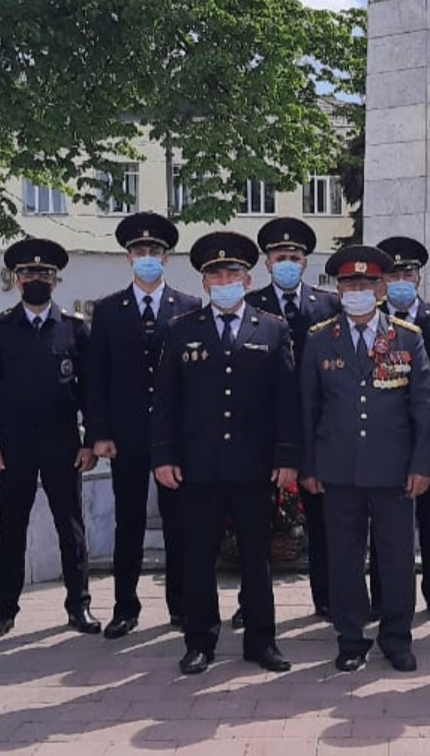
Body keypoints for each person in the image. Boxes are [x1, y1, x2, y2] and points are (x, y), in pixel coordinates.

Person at [150, 231, 298, 674]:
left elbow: (286, 401)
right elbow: (166, 402)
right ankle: (200, 642)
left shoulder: (272, 328)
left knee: (257, 557)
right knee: (199, 557)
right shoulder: (182, 331)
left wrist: (287, 457)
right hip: (199, 467)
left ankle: (261, 641)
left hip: (254, 468)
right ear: (204, 283)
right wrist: (164, 456)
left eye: (232, 271)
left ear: (248, 278)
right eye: (215, 273)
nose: (224, 278)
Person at [300, 245, 430, 673]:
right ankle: (351, 637)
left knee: (396, 558)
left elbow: (424, 409)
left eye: (364, 284)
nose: (356, 290)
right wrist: (308, 466)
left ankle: (396, 637)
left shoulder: (407, 338)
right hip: (338, 469)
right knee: (343, 556)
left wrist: (421, 465)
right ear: (337, 289)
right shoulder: (320, 338)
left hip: (394, 470)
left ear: (380, 288)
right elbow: (307, 408)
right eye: (348, 284)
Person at [0, 238, 101, 640]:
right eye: (29, 274)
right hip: (12, 447)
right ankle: (4, 609)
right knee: (11, 527)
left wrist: (90, 440)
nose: (37, 279)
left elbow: (90, 390)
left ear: (55, 281)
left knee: (71, 527)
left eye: (44, 274)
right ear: (17, 280)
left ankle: (79, 605)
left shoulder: (74, 327)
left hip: (62, 443)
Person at [86, 211, 200, 639]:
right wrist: (99, 433)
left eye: (154, 251)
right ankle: (124, 608)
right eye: (139, 251)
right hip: (127, 436)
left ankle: (181, 605)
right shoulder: (109, 310)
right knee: (128, 524)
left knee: (179, 526)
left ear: (166, 258)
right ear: (128, 258)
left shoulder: (187, 307)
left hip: (175, 438)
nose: (146, 257)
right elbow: (97, 377)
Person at [243, 217, 340, 622]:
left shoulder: (328, 304)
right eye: (280, 256)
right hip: (265, 431)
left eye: (294, 256)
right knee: (254, 524)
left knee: (324, 522)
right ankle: (253, 605)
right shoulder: (251, 306)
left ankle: (328, 597)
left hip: (318, 429)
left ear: (305, 262)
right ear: (267, 263)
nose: (287, 261)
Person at [368, 235, 430, 621]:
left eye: (408, 272)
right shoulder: (370, 320)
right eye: (392, 273)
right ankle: (382, 597)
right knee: (383, 523)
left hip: (429, 437)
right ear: (381, 281)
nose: (401, 279)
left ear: (419, 278)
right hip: (382, 439)